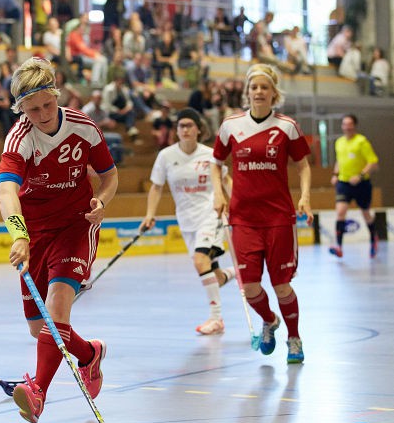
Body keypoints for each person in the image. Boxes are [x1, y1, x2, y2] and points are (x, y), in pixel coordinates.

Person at [0, 57, 119, 423]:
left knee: (58, 309)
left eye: (48, 104)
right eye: (33, 110)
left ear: (57, 94)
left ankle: (37, 392)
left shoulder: (83, 127)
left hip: (75, 226)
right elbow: (7, 192)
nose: (44, 114)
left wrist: (103, 201)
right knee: (41, 328)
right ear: (21, 109)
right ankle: (88, 355)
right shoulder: (19, 137)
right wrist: (19, 235)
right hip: (35, 233)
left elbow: (110, 176)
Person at [210, 63, 312, 364]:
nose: (258, 92)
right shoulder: (231, 125)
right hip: (242, 219)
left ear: (273, 93)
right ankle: (269, 321)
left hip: (279, 218)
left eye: (264, 87)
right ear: (247, 92)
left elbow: (303, 165)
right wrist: (219, 193)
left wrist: (305, 195)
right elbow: (216, 163)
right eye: (254, 87)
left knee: (281, 284)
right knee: (250, 285)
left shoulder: (287, 126)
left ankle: (294, 338)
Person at [142, 108, 235, 336]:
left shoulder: (210, 155)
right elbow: (156, 187)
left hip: (210, 215)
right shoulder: (166, 156)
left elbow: (227, 181)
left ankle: (216, 319)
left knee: (200, 261)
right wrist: (149, 214)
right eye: (181, 126)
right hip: (186, 221)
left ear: (198, 129)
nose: (185, 129)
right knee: (212, 273)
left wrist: (235, 208)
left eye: (189, 125)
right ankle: (235, 273)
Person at [329, 114, 379, 258]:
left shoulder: (361, 141)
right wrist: (335, 174)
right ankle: (338, 246)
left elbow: (373, 162)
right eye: (345, 124)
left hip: (361, 184)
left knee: (365, 213)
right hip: (344, 183)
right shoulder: (339, 142)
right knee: (340, 211)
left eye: (350, 124)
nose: (347, 127)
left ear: (354, 126)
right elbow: (340, 160)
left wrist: (361, 175)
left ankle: (373, 240)